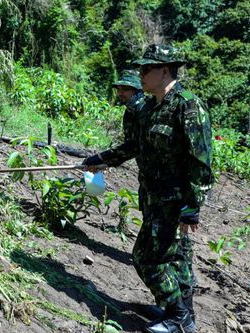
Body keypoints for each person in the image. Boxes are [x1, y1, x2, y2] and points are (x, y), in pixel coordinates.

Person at [83, 44, 214, 333]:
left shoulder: (188, 105)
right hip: (153, 197)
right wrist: (103, 159)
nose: (140, 75)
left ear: (164, 70)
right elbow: (134, 146)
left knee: (147, 258)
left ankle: (177, 314)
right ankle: (182, 315)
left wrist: (192, 207)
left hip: (176, 201)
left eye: (147, 69)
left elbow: (201, 162)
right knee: (176, 259)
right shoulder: (150, 107)